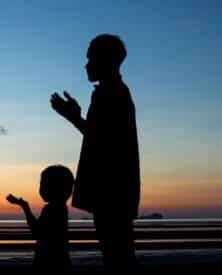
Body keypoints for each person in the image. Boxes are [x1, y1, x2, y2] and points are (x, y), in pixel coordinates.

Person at [50, 34, 140, 268]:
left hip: (112, 192)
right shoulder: (112, 92)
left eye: (91, 58)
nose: (87, 64)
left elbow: (105, 141)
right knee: (117, 256)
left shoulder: (112, 94)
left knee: (117, 258)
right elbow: (102, 137)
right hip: (114, 192)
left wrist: (73, 117)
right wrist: (75, 117)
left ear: (107, 60)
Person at [6, 165, 74, 272]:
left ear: (54, 187)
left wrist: (25, 207)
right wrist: (24, 206)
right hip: (60, 260)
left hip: (48, 261)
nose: (40, 189)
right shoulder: (60, 208)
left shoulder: (52, 209)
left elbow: (37, 233)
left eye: (43, 184)